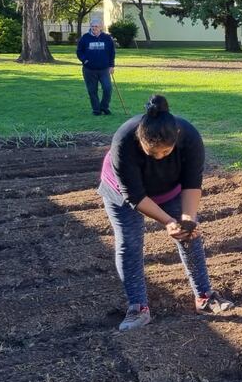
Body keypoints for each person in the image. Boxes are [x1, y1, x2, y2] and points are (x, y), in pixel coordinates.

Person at [98, 94, 234, 331]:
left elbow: (192, 183)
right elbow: (134, 196)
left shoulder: (189, 137)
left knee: (190, 234)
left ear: (176, 137)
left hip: (169, 188)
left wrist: (187, 220)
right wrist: (168, 221)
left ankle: (204, 297)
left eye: (165, 152)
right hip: (122, 192)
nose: (159, 157)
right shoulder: (123, 141)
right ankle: (138, 307)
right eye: (152, 153)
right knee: (129, 243)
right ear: (140, 138)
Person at [76, 18, 115, 116]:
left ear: (100, 27)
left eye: (96, 26)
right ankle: (96, 110)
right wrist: (85, 60)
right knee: (92, 91)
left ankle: (104, 107)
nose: (94, 28)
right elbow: (79, 51)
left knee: (107, 88)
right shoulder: (85, 38)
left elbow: (112, 52)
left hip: (104, 69)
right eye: (92, 26)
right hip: (89, 70)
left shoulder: (107, 38)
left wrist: (111, 65)